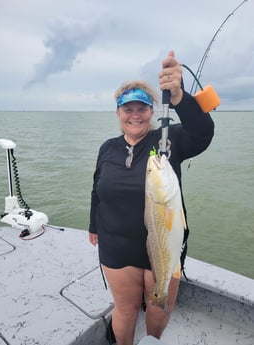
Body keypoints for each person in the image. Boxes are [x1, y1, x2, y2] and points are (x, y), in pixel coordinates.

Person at [88, 50, 214, 345]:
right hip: (116, 245)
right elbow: (97, 190)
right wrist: (93, 225)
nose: (135, 115)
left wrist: (181, 98)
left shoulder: (167, 141)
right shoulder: (107, 148)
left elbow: (203, 133)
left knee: (159, 305)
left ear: (151, 111)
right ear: (118, 113)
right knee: (126, 309)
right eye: (127, 108)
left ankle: (153, 340)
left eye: (142, 108)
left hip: (165, 242)